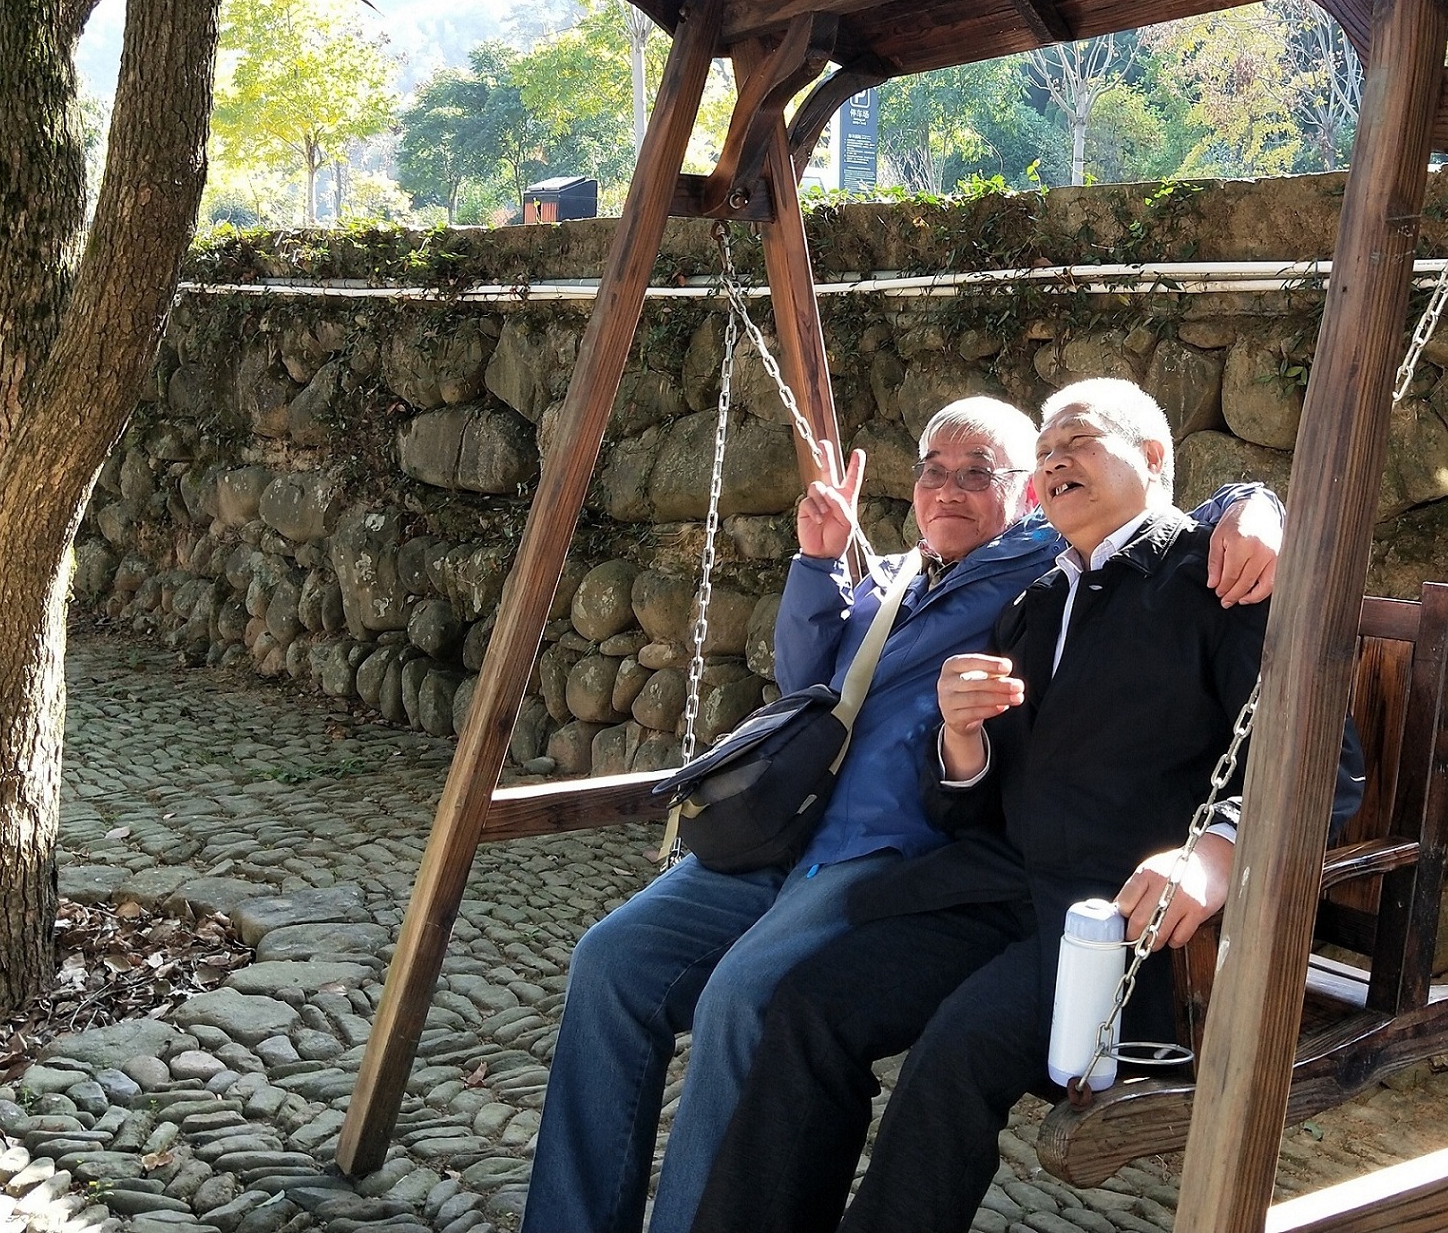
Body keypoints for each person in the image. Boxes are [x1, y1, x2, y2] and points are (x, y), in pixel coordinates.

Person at [521, 395, 1286, 1233]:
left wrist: (1255, 504)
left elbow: (1309, 753)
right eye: (933, 471)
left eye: (980, 472)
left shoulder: (1102, 569)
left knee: (814, 1017)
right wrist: (838, 586)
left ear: (1027, 496)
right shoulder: (980, 590)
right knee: (696, 980)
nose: (951, 488)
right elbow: (824, 695)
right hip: (880, 854)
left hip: (1033, 890)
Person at [692, 380, 1366, 1233]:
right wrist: (961, 741)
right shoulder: (1034, 601)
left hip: (1115, 918)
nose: (1052, 461)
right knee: (811, 1005)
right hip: (998, 888)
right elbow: (972, 807)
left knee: (955, 1052)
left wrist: (1215, 853)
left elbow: (1324, 764)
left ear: (1152, 457)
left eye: (1076, 442)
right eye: (1043, 450)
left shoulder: (1217, 578)